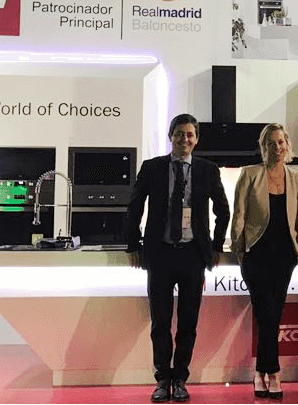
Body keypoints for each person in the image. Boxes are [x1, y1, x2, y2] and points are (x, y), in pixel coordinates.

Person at [125, 113, 231, 403]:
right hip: (159, 253)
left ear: (196, 139)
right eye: (179, 133)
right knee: (160, 323)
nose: (184, 139)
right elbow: (135, 206)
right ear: (170, 136)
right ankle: (162, 379)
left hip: (192, 255)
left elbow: (223, 210)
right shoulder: (152, 168)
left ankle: (180, 379)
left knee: (187, 323)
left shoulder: (208, 170)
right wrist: (133, 244)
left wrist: (216, 247)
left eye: (190, 134)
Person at [229, 124, 298, 399]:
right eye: (271, 143)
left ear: (287, 145)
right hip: (256, 255)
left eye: (281, 142)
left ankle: (261, 371)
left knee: (273, 313)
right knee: (266, 312)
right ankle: (272, 372)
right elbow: (239, 214)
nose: (277, 147)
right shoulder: (250, 174)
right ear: (264, 147)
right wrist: (239, 249)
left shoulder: (296, 178)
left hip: (285, 256)